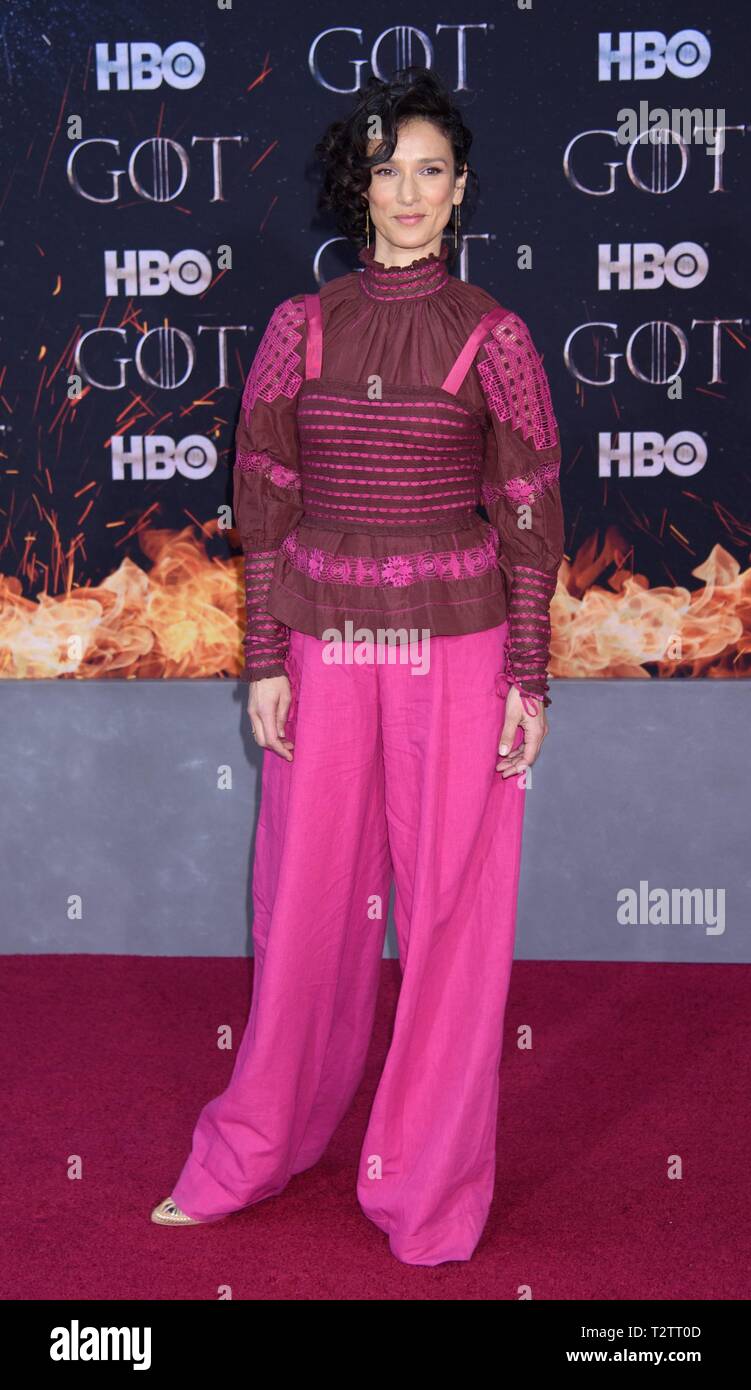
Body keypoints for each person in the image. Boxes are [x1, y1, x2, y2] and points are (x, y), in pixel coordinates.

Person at [151, 66, 564, 1267]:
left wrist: (528, 679)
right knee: (305, 911)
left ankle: (427, 1187)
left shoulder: (497, 334)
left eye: (430, 169)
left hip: (464, 645)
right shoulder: (299, 328)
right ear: (360, 184)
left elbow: (532, 514)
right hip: (325, 648)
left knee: (450, 919)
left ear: (461, 187)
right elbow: (266, 500)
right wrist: (266, 655)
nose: (407, 191)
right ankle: (254, 1148)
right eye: (387, 168)